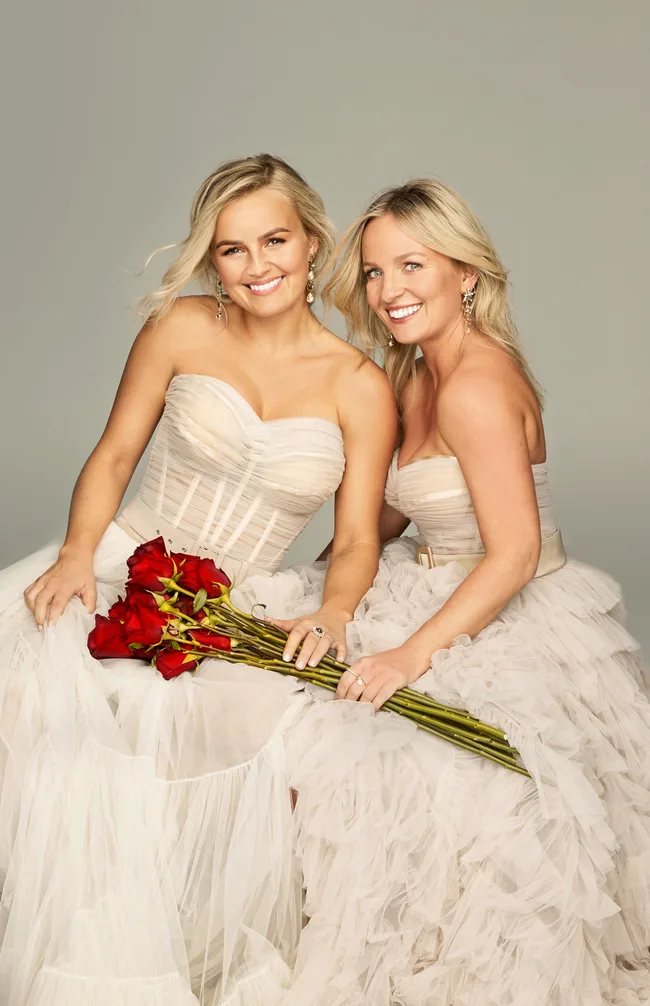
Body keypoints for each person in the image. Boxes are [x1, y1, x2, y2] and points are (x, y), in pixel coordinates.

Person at [0, 154, 396, 1005]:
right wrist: (76, 553)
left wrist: (334, 609)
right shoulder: (181, 327)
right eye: (231, 249)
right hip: (121, 559)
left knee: (239, 742)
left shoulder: (361, 385)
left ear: (313, 242)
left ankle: (161, 948)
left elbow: (359, 538)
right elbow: (115, 454)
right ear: (211, 260)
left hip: (237, 603)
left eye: (275, 240)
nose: (257, 266)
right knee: (50, 711)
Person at [267, 178, 650, 1005]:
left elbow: (513, 555)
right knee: (296, 706)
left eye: (412, 265)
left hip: (506, 606)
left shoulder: (476, 383)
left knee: (416, 770)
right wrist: (326, 584)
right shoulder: (415, 374)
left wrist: (409, 656)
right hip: (428, 580)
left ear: (466, 273)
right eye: (375, 272)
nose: (388, 290)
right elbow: (397, 511)